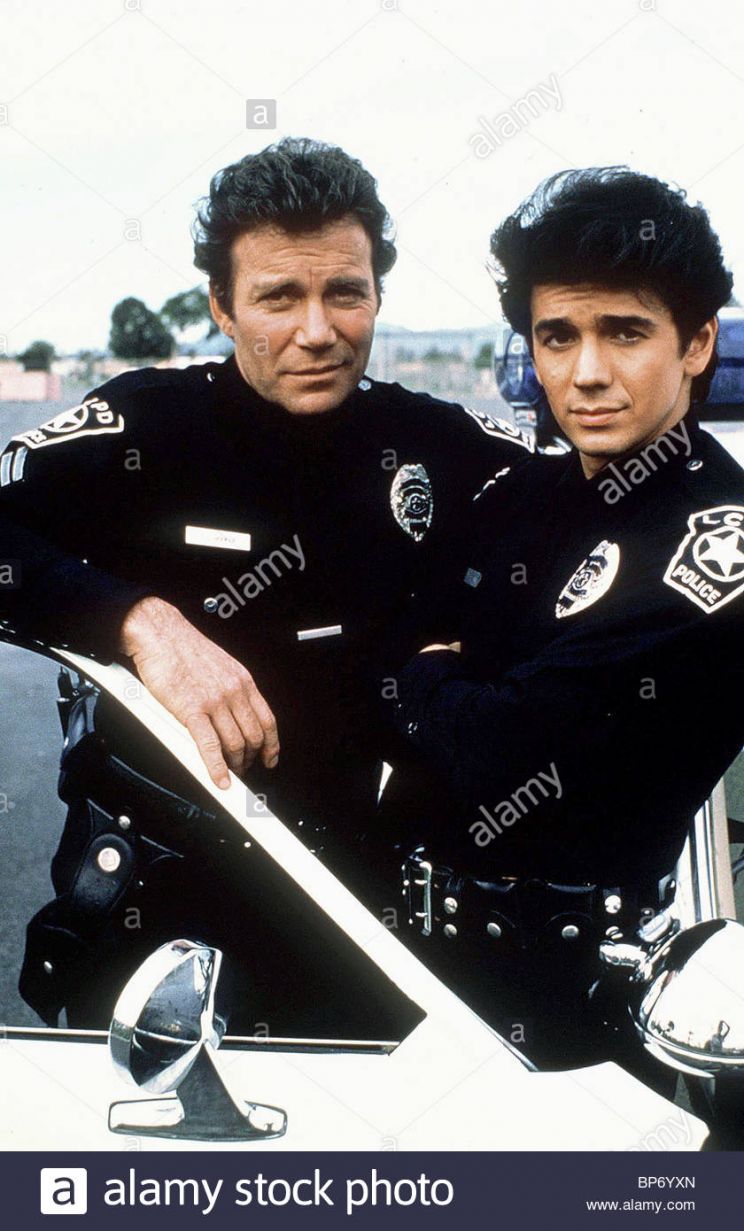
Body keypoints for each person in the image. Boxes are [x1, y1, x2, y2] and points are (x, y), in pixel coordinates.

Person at [0, 137, 531, 1031]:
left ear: (377, 295)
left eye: (345, 292)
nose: (317, 331)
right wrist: (137, 620)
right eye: (279, 297)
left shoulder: (443, 447)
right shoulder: (145, 430)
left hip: (374, 936)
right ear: (222, 305)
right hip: (155, 922)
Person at [387, 167, 744, 1103]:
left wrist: (426, 680)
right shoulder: (520, 496)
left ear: (696, 341)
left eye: (624, 332)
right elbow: (405, 627)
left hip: (585, 1012)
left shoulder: (719, 544)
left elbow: (503, 751)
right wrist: (445, 681)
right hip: (423, 974)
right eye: (558, 336)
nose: (586, 373)